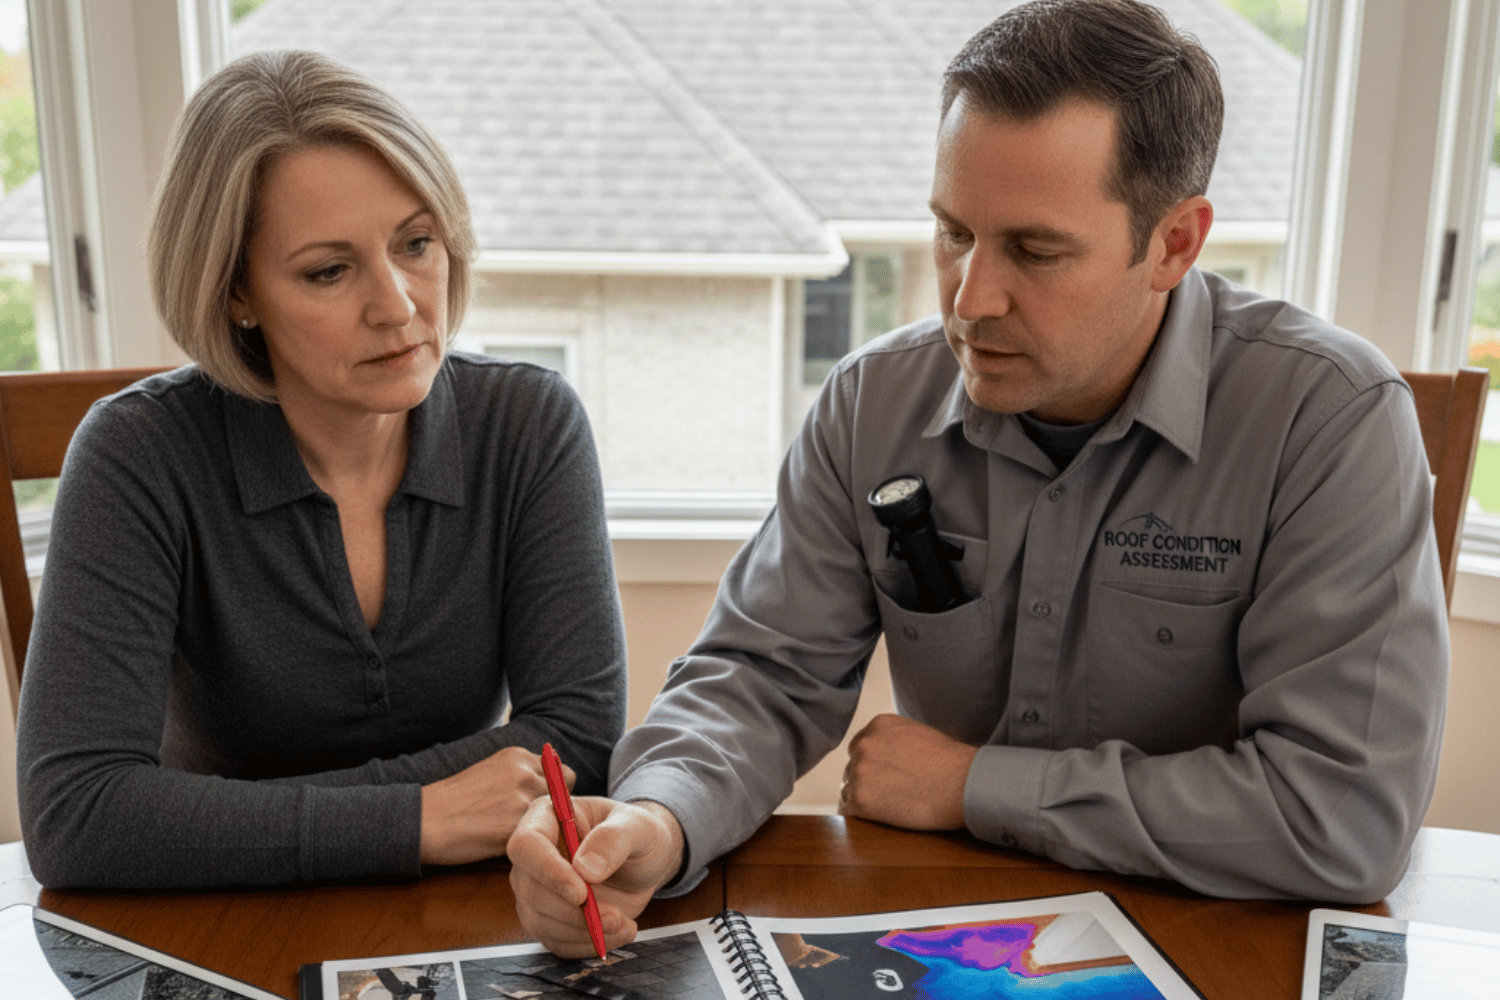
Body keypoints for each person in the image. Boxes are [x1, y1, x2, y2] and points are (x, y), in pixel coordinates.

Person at [508, 0, 1449, 956]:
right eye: (954, 231)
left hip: (1222, 942)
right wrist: (659, 823)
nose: (969, 299)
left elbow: (1342, 816)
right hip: (945, 934)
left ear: (1174, 244)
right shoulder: (872, 400)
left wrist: (974, 786)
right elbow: (760, 678)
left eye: (1035, 251)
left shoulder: (1332, 418)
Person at [16, 50, 626, 888]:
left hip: (451, 914)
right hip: (212, 925)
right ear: (235, 291)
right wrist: (419, 818)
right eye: (329, 271)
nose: (400, 305)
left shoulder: (528, 424)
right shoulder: (137, 455)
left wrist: (220, 815)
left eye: (416, 243)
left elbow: (579, 740)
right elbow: (78, 815)